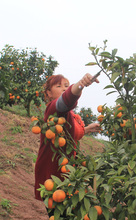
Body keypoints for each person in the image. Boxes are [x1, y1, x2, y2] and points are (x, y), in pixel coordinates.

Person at [34, 73, 101, 201]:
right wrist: (80, 84)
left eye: (66, 85)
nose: (64, 89)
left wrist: (87, 129)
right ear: (48, 93)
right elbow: (66, 100)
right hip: (52, 176)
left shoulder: (69, 116)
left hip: (67, 175)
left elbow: (72, 133)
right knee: (60, 215)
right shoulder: (53, 109)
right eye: (59, 86)